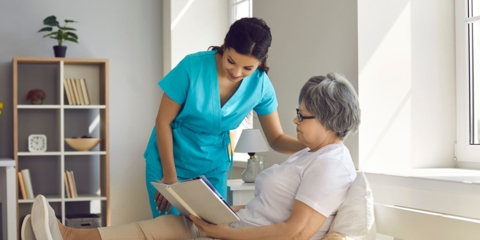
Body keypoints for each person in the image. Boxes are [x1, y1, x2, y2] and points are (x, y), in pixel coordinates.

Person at [22, 73, 361, 240]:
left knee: (171, 229)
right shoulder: (310, 154)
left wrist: (221, 232)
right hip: (234, 225)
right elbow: (273, 207)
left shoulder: (331, 165)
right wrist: (220, 211)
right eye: (297, 113)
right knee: (169, 223)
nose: (295, 120)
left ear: (330, 120)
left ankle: (67, 236)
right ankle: (69, 235)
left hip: (235, 236)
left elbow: (296, 232)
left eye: (303, 116)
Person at [144, 17, 305, 218]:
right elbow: (163, 121)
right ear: (225, 46)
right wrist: (170, 177)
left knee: (214, 229)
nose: (236, 72)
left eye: (248, 68)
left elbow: (276, 139)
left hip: (213, 167)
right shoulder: (191, 67)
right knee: (169, 230)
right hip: (168, 163)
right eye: (231, 61)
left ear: (261, 62)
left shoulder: (261, 86)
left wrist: (311, 146)